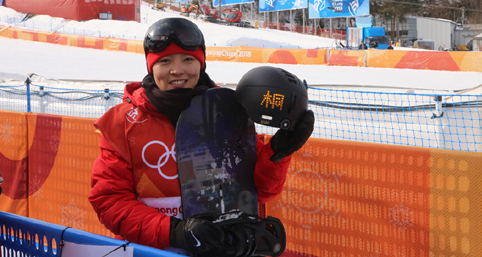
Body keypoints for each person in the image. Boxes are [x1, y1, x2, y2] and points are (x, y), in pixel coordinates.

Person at [89, 17, 314, 255]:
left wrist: (277, 154)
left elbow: (259, 192)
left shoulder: (227, 111)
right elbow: (110, 201)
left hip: (220, 247)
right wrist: (175, 232)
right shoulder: (123, 123)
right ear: (151, 66)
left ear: (201, 63)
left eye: (188, 59)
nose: (178, 70)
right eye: (165, 61)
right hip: (152, 250)